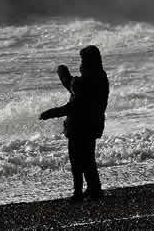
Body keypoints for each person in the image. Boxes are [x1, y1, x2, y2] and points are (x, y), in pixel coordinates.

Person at [40, 45, 110, 202]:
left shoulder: (86, 82)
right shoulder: (100, 77)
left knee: (77, 161)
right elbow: (72, 86)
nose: (81, 64)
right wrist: (66, 77)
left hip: (80, 126)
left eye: (83, 60)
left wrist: (50, 113)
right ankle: (94, 188)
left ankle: (78, 192)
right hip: (94, 124)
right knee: (88, 159)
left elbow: (73, 105)